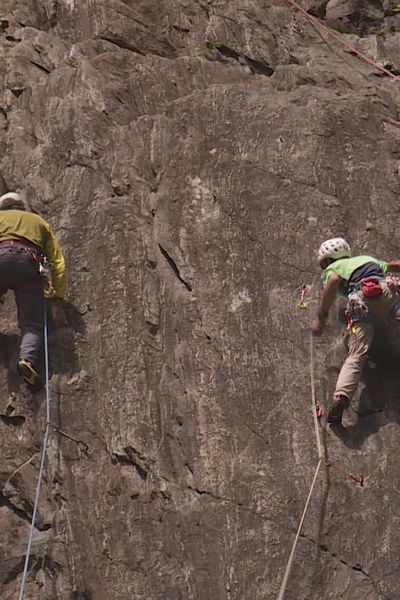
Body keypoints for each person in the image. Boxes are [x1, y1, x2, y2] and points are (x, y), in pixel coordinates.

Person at [311, 237, 400, 425]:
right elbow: (393, 265)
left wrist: (321, 317)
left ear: (327, 260)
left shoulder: (332, 270)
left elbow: (334, 280)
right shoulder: (367, 259)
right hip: (385, 292)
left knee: (356, 355)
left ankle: (341, 397)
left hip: (360, 304)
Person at [0, 191, 67, 386]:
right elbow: (58, 262)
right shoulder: (38, 222)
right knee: (31, 324)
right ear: (21, 206)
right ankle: (27, 360)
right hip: (26, 264)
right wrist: (57, 296)